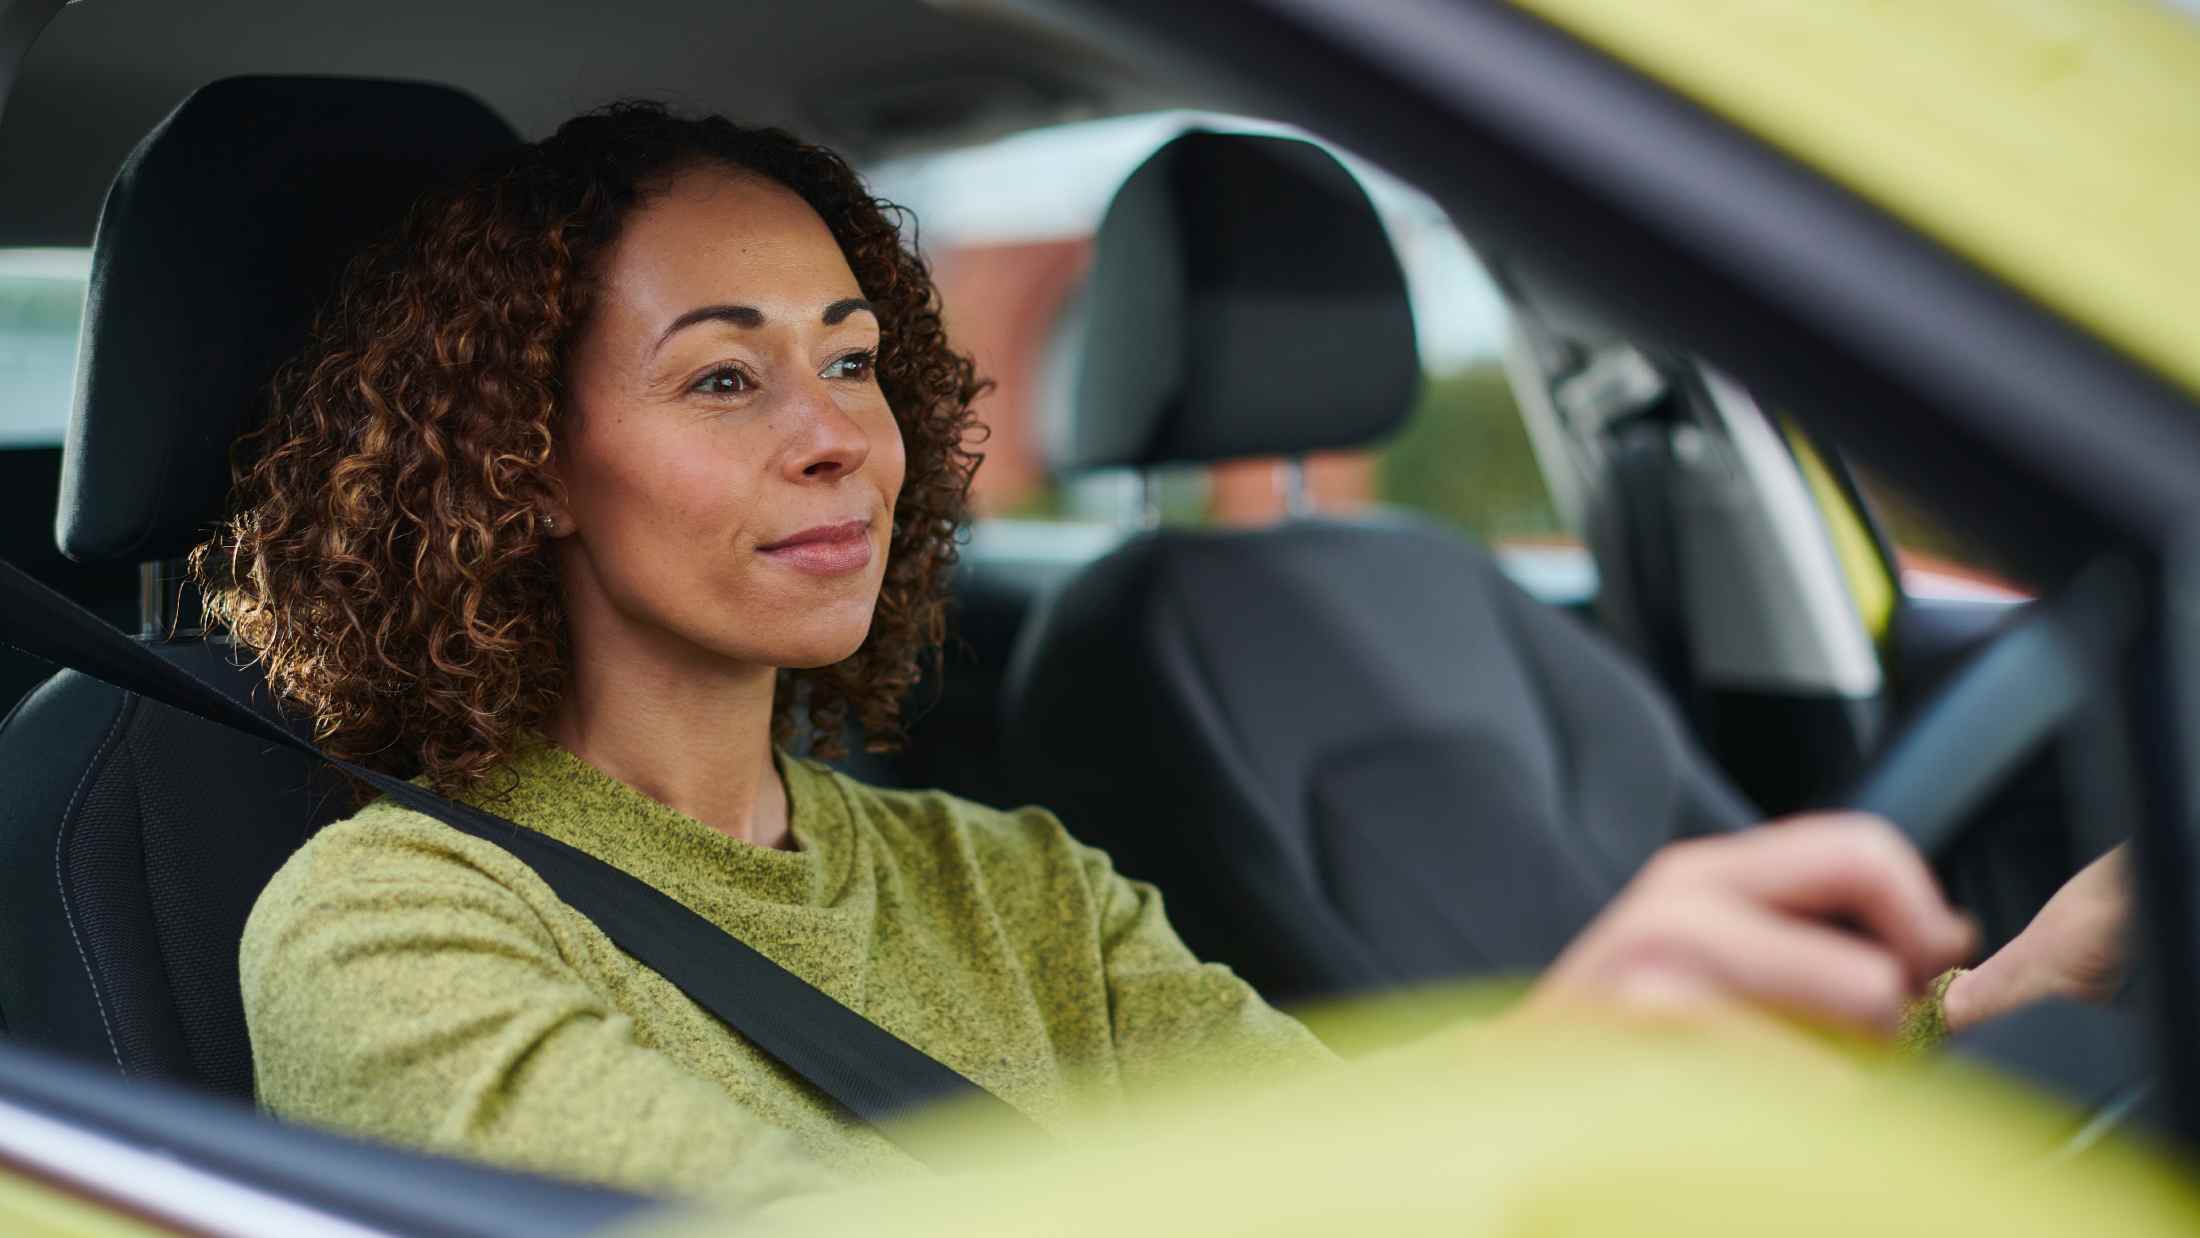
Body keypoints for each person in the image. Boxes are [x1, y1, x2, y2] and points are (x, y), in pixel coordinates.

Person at [196, 102, 2129, 1202]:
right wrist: (1544, 1070)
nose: (839, 435)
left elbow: (1336, 1153)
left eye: (857, 361)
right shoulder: (386, 924)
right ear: (521, 467)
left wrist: (1983, 1011)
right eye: (726, 373)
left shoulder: (1010, 881)